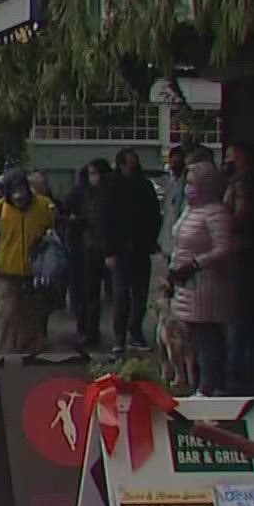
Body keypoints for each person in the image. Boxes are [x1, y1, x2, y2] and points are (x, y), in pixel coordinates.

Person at [170, 160, 237, 395]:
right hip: (187, 284)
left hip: (208, 283)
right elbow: (180, 242)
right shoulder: (190, 210)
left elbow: (224, 247)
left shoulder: (216, 213)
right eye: (186, 183)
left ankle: (210, 385)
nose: (188, 188)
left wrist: (196, 264)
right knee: (194, 337)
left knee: (208, 336)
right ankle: (203, 382)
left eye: (192, 183)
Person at [0, 169, 58, 355]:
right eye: (14, 191)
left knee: (32, 318)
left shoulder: (45, 207)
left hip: (34, 274)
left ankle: (30, 354)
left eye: (21, 189)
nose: (18, 196)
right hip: (7, 272)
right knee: (8, 316)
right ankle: (5, 358)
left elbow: (57, 236)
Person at [102, 148, 163, 353]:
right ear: (121, 164)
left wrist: (151, 240)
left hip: (141, 247)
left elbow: (155, 214)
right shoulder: (111, 186)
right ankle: (119, 336)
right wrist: (109, 250)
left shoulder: (144, 185)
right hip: (120, 249)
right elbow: (105, 220)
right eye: (130, 162)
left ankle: (135, 330)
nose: (134, 166)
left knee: (140, 294)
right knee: (121, 294)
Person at [224, 142, 254, 392]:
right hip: (250, 254)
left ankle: (239, 366)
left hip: (243, 255)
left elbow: (240, 217)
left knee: (241, 312)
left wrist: (222, 225)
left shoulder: (242, 184)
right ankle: (247, 363)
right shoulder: (251, 182)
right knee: (248, 314)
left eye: (230, 156)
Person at [60, 158, 113, 351]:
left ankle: (92, 332)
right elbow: (65, 207)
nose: (94, 178)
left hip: (102, 249)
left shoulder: (108, 194)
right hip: (87, 249)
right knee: (87, 293)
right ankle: (87, 330)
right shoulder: (84, 192)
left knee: (104, 294)